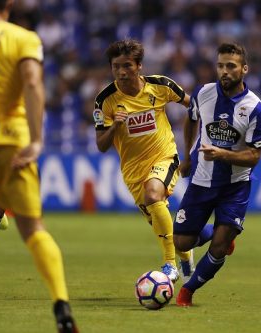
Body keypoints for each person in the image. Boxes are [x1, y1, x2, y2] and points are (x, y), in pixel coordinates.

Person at [0, 1, 78, 332]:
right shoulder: (24, 38)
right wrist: (37, 140)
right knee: (33, 229)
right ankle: (61, 304)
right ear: (9, 4)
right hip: (10, 140)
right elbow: (31, 82)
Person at [172, 42, 261, 306]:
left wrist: (224, 155)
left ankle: (187, 291)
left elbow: (254, 156)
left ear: (244, 69)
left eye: (231, 66)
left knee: (220, 247)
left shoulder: (255, 108)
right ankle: (219, 232)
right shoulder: (203, 93)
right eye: (220, 65)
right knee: (181, 241)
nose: (224, 71)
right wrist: (189, 154)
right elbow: (191, 118)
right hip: (202, 181)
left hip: (235, 185)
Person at [93, 38, 193, 283]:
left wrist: (192, 149)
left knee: (153, 194)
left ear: (139, 66)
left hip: (164, 156)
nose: (121, 72)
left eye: (126, 65)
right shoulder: (105, 100)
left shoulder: (161, 86)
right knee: (167, 230)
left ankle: (170, 266)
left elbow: (195, 107)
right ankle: (189, 249)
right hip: (133, 172)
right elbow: (101, 146)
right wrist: (115, 125)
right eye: (116, 66)